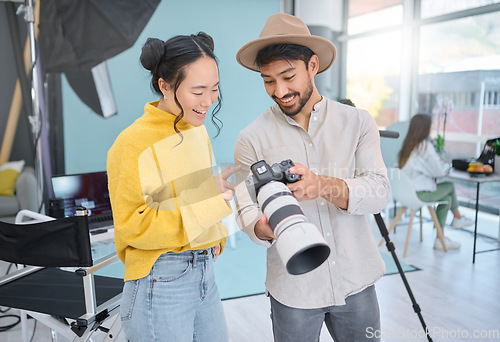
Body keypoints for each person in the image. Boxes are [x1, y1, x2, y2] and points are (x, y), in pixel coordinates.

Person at [233, 13, 391, 342]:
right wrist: (264, 226)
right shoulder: (251, 138)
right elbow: (246, 211)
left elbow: (379, 191)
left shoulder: (358, 122)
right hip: (293, 289)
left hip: (356, 280)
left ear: (313, 66)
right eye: (268, 81)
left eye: (288, 76)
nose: (279, 90)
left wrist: (321, 185)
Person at [107, 32, 240, 342]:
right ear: (164, 86)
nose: (208, 101)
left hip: (204, 269)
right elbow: (132, 226)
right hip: (160, 277)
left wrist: (214, 233)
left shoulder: (197, 130)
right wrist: (210, 207)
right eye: (198, 91)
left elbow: (182, 195)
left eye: (214, 89)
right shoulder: (130, 144)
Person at [398, 113, 473, 249]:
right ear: (425, 128)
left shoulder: (408, 146)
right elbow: (438, 171)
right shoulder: (424, 147)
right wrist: (447, 166)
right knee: (449, 185)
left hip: (406, 193)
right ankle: (457, 218)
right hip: (419, 194)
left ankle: (440, 238)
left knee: (447, 199)